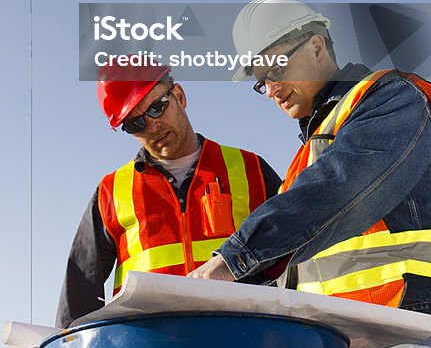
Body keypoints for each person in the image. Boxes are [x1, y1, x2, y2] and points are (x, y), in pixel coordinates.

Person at [189, 0, 431, 348]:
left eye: (274, 67)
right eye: (259, 80)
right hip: (346, 346)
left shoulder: (395, 99)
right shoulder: (316, 145)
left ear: (317, 46)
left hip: (422, 339)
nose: (270, 88)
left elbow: (336, 189)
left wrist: (233, 261)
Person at [56, 64, 281, 328]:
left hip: (245, 341)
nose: (152, 126)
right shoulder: (111, 190)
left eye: (156, 107)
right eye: (135, 124)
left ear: (180, 96)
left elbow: (295, 255)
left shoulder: (250, 168)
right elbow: (79, 289)